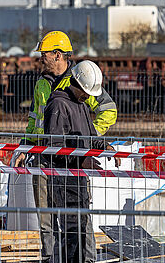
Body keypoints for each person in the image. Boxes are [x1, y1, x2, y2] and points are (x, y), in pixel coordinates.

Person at [10, 31, 117, 260]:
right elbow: (34, 120)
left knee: (78, 218)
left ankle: (84, 259)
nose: (40, 58)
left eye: (44, 54)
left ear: (57, 55)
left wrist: (86, 139)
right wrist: (24, 147)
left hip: (70, 163)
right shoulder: (41, 84)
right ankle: (51, 258)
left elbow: (108, 110)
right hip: (41, 158)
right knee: (46, 218)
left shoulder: (79, 82)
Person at [38, 60, 120, 262]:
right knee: (71, 231)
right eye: (86, 92)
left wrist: (106, 147)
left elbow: (90, 136)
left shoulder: (80, 105)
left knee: (81, 228)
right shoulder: (58, 104)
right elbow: (54, 146)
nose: (88, 97)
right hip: (64, 179)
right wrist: (81, 161)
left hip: (78, 179)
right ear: (78, 84)